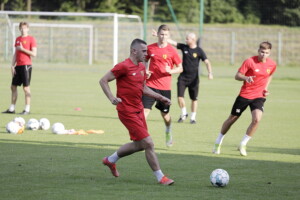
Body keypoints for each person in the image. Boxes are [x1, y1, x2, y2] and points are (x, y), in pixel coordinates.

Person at [99, 38, 174, 185]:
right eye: (144, 51)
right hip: (127, 111)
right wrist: (111, 98)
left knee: (140, 145)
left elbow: (143, 88)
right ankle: (161, 177)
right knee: (149, 143)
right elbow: (103, 80)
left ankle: (110, 160)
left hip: (139, 110)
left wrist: (160, 97)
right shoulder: (123, 66)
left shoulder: (141, 66)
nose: (147, 53)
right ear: (134, 51)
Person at [212, 41, 276, 156]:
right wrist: (246, 78)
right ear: (258, 51)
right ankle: (218, 141)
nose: (264, 55)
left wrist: (265, 88)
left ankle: (243, 144)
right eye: (262, 52)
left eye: (266, 53)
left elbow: (270, 75)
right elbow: (237, 76)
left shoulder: (272, 64)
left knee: (257, 119)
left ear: (269, 53)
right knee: (232, 119)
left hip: (259, 96)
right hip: (245, 95)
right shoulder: (249, 61)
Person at [152, 30, 213, 124]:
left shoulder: (199, 51)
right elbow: (171, 42)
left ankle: (193, 117)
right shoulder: (184, 47)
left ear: (193, 40)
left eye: (187, 38)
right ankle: (184, 113)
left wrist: (210, 73)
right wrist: (159, 36)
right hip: (183, 78)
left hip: (194, 80)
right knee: (180, 97)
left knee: (194, 99)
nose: (185, 40)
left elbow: (207, 62)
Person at [142, 24, 183, 147]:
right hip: (149, 85)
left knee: (165, 115)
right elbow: (144, 60)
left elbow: (180, 68)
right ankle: (142, 138)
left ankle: (168, 130)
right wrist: (145, 70)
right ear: (158, 34)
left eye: (165, 35)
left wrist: (170, 71)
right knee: (144, 112)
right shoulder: (150, 48)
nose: (163, 37)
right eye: (161, 34)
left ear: (168, 36)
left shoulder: (172, 51)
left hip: (164, 88)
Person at [2, 21, 37, 115]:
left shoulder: (31, 39)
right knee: (13, 87)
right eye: (21, 28)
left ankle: (27, 109)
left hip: (26, 66)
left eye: (25, 28)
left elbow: (34, 54)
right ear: (19, 29)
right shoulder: (17, 39)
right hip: (18, 66)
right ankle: (12, 108)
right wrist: (12, 65)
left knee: (26, 88)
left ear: (28, 29)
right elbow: (16, 53)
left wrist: (23, 49)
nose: (23, 29)